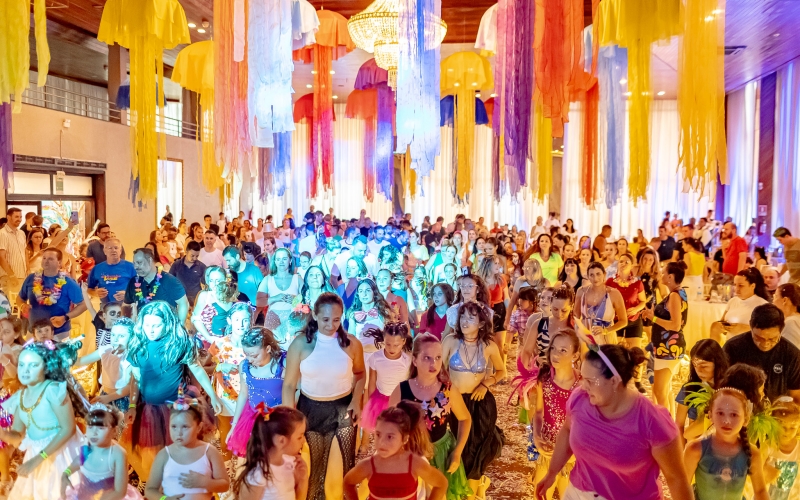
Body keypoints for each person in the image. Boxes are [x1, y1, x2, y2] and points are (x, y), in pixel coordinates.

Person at [534, 344, 691, 500]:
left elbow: (676, 479)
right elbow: (567, 430)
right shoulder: (579, 399)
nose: (583, 386)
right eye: (583, 378)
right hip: (579, 493)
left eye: (590, 381)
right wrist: (551, 473)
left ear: (614, 381)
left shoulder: (652, 421)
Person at [123, 301, 222, 479]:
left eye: (156, 325)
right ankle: (159, 484)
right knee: (153, 451)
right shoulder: (138, 343)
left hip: (177, 407)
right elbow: (135, 379)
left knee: (180, 448)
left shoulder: (178, 342)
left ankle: (182, 480)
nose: (150, 330)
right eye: (147, 325)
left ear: (167, 324)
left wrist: (213, 396)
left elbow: (197, 369)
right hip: (149, 410)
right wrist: (131, 405)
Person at [282, 293, 366, 500]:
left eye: (336, 320)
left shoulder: (351, 344)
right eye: (326, 319)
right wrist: (290, 421)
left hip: (342, 410)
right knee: (311, 476)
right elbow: (289, 385)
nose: (331, 325)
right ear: (315, 315)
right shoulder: (300, 344)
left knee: (338, 479)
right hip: (309, 410)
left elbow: (360, 374)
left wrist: (356, 400)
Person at [0, 340, 85, 500]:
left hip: (62, 453)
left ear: (46, 367)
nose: (25, 370)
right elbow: (18, 434)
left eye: (33, 365)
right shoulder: (21, 396)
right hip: (36, 455)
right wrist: (4, 434)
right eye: (22, 365)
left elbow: (68, 428)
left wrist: (38, 459)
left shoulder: (54, 390)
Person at [442, 302, 506, 495]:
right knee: (457, 447)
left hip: (480, 404)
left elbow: (502, 371)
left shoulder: (489, 345)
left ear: (481, 323)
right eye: (462, 316)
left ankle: (474, 489)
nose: (465, 321)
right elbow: (439, 368)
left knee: (477, 448)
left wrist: (486, 383)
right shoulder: (450, 341)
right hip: (455, 403)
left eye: (471, 318)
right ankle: (464, 487)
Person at [343, 401, 449, 500]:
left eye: (390, 437)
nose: (382, 442)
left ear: (405, 438)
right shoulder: (369, 465)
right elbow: (349, 482)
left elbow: (441, 484)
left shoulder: (415, 463)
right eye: (378, 434)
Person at [684, 387, 769, 500]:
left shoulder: (752, 454)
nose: (726, 421)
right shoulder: (695, 449)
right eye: (720, 413)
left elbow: (760, 490)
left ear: (746, 419)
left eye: (734, 415)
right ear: (710, 416)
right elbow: (682, 487)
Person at [144, 390, 229, 500]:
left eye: (185, 427)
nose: (178, 433)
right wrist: (164, 499)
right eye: (174, 426)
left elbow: (225, 485)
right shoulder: (164, 455)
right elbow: (150, 490)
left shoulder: (210, 452)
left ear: (199, 427)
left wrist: (205, 482)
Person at [530, 329, 581, 500]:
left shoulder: (583, 386)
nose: (556, 354)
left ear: (575, 356)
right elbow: (538, 412)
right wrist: (537, 438)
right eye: (553, 348)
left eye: (563, 350)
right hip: (547, 451)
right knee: (540, 495)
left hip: (573, 456)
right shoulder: (544, 379)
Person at [60, 404, 142, 500]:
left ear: (114, 431)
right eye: (90, 427)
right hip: (83, 496)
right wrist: (66, 473)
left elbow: (120, 492)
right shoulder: (86, 444)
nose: (94, 433)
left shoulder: (117, 454)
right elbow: (80, 460)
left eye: (101, 428)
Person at [226, 326, 285, 458]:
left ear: (268, 349)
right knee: (253, 457)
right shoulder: (245, 366)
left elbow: (297, 390)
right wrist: (234, 426)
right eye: (246, 354)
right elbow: (243, 394)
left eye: (254, 355)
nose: (249, 359)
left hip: (277, 418)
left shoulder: (282, 365)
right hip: (252, 418)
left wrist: (281, 407)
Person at [723, 303, 800, 403]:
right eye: (758, 338)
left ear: (781, 330)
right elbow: (722, 385)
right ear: (751, 326)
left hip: (776, 409)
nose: (765, 344)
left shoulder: (791, 354)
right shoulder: (733, 347)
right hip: (739, 407)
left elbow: (796, 395)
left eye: (772, 339)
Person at [233, 406, 309, 500]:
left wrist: (302, 480)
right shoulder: (259, 474)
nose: (304, 441)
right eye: (299, 437)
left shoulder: (291, 464)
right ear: (281, 441)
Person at [359, 323, 412, 456]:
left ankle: (395, 449)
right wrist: (370, 401)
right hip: (380, 397)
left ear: (403, 341)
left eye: (396, 345)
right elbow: (372, 381)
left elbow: (408, 383)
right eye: (388, 344)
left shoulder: (407, 361)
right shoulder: (375, 357)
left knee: (395, 427)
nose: (392, 348)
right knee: (374, 424)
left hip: (399, 400)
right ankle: (365, 443)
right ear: (383, 339)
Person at [642, 261, 688, 409]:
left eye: (663, 273)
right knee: (665, 391)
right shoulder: (679, 293)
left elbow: (675, 325)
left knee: (660, 391)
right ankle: (669, 421)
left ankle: (664, 422)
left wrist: (653, 318)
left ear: (670, 277)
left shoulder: (674, 296)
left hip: (668, 348)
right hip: (666, 347)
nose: (661, 275)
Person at [17, 248, 86, 341]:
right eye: (44, 258)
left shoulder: (68, 282)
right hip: (34, 333)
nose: (46, 261)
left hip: (59, 334)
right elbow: (19, 299)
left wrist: (65, 318)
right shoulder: (31, 278)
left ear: (59, 263)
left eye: (50, 259)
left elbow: (83, 305)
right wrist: (22, 306)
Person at [73, 317, 135, 412]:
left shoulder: (129, 357)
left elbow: (129, 386)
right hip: (104, 395)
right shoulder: (105, 349)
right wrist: (69, 352)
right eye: (113, 334)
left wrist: (109, 398)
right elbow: (80, 362)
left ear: (131, 337)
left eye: (121, 336)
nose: (116, 339)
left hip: (121, 399)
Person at [674, 339, 728, 447]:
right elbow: (679, 425)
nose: (699, 371)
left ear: (717, 363)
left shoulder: (730, 388)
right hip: (695, 447)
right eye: (695, 365)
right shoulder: (689, 389)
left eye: (704, 366)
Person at [124, 248, 189, 322]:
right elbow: (126, 305)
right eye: (134, 263)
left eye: (139, 262)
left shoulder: (169, 280)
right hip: (143, 327)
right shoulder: (133, 282)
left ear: (150, 260)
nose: (135, 267)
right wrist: (127, 324)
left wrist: (179, 325)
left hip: (165, 327)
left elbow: (183, 304)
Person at [574, 262, 628, 345]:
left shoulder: (614, 293)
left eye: (598, 274)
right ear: (588, 276)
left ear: (604, 274)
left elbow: (623, 321)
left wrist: (606, 331)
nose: (595, 278)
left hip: (607, 341)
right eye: (591, 275)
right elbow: (576, 318)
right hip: (586, 340)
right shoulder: (581, 291)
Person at [521, 286, 575, 368]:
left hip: (568, 373)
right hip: (543, 371)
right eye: (555, 309)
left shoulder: (576, 327)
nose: (559, 314)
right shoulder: (539, 324)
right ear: (551, 304)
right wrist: (525, 370)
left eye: (564, 310)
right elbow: (527, 351)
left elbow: (584, 357)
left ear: (571, 307)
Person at [711, 267, 769, 343]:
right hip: (730, 345)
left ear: (752, 286)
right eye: (735, 285)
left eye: (741, 285)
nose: (737, 289)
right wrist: (719, 326)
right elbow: (722, 322)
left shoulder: (763, 305)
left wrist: (745, 329)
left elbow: (767, 332)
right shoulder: (733, 301)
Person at [191, 266, 236, 342]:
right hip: (207, 341)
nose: (214, 284)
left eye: (218, 280)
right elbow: (196, 320)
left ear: (225, 280)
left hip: (227, 340)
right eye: (211, 280)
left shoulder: (231, 296)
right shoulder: (204, 296)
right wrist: (208, 338)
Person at [766, 400, 800, 500]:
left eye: (792, 428)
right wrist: (764, 468)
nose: (787, 431)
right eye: (782, 426)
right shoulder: (767, 446)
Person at [87, 237, 137, 305]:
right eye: (110, 248)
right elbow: (89, 289)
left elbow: (141, 288)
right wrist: (95, 293)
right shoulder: (97, 269)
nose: (113, 250)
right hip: (106, 307)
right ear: (104, 251)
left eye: (116, 248)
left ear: (120, 251)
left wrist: (128, 294)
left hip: (127, 306)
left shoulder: (131, 267)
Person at [504, 259, 549, 331]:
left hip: (540, 315)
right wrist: (507, 320)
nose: (525, 270)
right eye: (524, 267)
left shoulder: (545, 282)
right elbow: (512, 301)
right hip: (523, 316)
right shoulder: (520, 281)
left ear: (535, 269)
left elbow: (549, 302)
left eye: (528, 268)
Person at [0, 207, 29, 296]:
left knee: (21, 303)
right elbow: (1, 257)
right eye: (16, 217)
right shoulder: (2, 233)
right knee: (10, 303)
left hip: (23, 275)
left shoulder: (21, 233)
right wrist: (11, 275)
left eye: (20, 217)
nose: (19, 219)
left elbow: (25, 252)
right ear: (8, 217)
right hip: (9, 277)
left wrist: (28, 269)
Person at [168, 240, 207, 305]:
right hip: (180, 300)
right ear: (186, 251)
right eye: (192, 255)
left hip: (195, 301)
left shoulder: (202, 266)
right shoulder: (176, 265)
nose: (194, 258)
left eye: (197, 256)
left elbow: (206, 284)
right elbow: (170, 281)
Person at [775, 283, 800, 348]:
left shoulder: (791, 322)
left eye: (776, 296)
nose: (773, 301)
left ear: (785, 300)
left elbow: (786, 351)